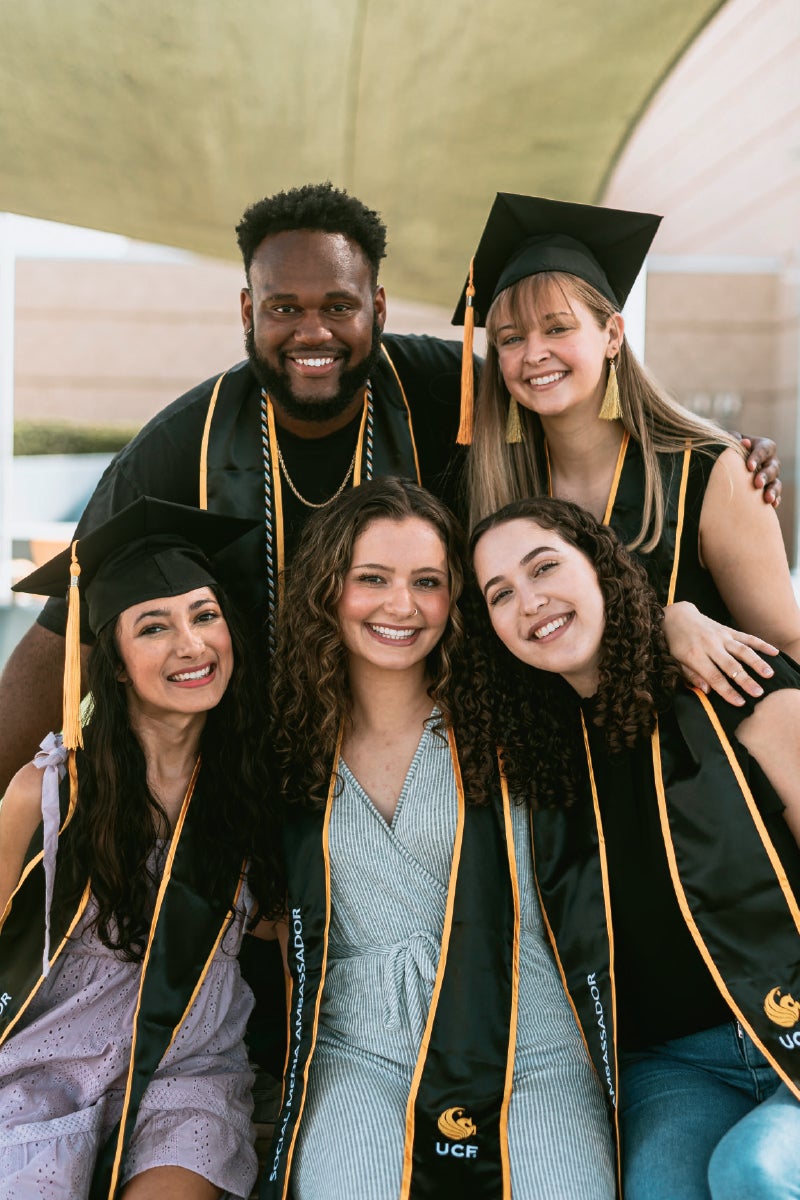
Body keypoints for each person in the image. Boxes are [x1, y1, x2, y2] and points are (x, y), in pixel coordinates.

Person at [0, 183, 781, 796]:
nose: (314, 332)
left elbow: (571, 389)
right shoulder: (184, 442)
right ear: (248, 312)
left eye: (339, 305)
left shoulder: (441, 389)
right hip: (251, 771)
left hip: (459, 762)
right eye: (283, 308)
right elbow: (62, 630)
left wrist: (714, 455)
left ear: (375, 308)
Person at [266, 478, 615, 1200]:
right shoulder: (284, 741)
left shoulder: (516, 711)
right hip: (362, 1053)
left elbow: (617, 660)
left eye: (427, 582)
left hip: (531, 1043)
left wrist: (684, 620)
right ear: (327, 590)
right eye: (372, 579)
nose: (402, 606)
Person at [471, 495, 800, 1200]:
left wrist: (676, 618)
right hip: (674, 1067)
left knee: (752, 1171)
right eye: (501, 594)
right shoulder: (538, 762)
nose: (530, 602)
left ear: (600, 567)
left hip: (796, 1015)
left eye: (544, 567)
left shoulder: (731, 681)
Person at [0, 498, 283, 1200]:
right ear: (116, 663)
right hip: (43, 1073)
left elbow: (292, 939)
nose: (192, 645)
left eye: (205, 615)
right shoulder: (48, 795)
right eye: (154, 626)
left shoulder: (256, 793)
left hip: (187, 1079)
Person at [454, 192, 796, 706]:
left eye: (557, 328)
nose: (534, 354)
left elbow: (788, 647)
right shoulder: (498, 491)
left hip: (695, 775)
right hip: (561, 780)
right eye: (509, 338)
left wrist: (679, 627)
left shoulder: (709, 474)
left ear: (612, 333)